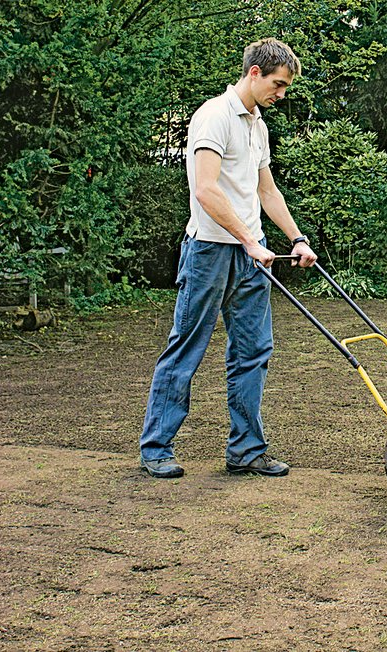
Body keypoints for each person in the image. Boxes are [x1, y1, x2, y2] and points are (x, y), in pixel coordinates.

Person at [140, 38, 318, 479]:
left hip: (250, 254)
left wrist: (296, 238)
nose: (281, 93)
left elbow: (266, 190)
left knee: (254, 350)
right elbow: (206, 189)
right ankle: (156, 447)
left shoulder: (258, 126)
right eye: (278, 84)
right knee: (187, 347)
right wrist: (247, 239)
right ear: (254, 73)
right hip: (209, 252)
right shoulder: (213, 116)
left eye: (286, 87)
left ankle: (246, 450)